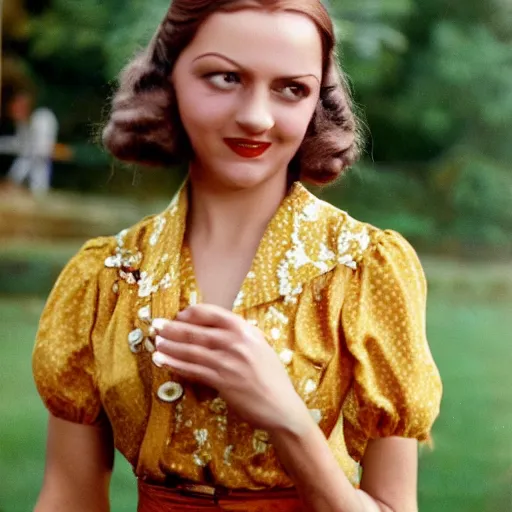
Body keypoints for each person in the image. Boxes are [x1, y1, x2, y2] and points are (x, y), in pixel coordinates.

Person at [32, 1, 442, 511]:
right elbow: (68, 499)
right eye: (225, 77)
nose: (255, 117)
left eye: (292, 88)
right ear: (167, 81)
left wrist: (287, 418)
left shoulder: (365, 270)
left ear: (317, 100)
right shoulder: (104, 277)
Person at [0, 92, 58, 195]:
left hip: (41, 166)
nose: (12, 111)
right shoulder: (22, 123)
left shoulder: (43, 119)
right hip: (30, 164)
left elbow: (38, 152)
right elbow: (19, 144)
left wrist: (14, 178)